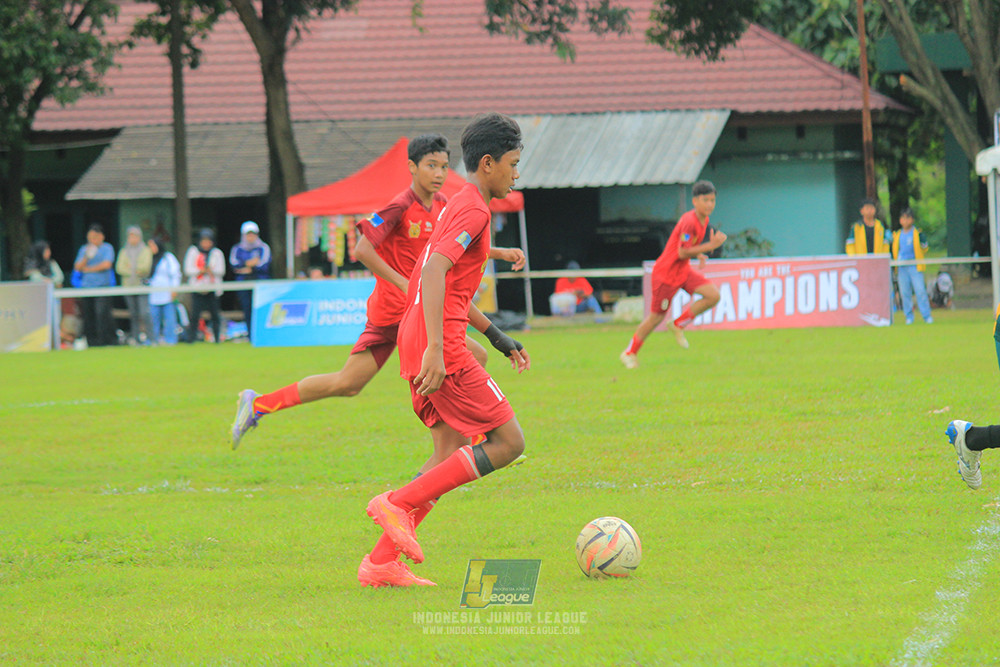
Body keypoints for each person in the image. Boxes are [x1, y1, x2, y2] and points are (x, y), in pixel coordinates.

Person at [229, 133, 526, 460]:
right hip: (393, 311)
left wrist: (497, 252)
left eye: (443, 166)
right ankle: (489, 442)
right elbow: (362, 249)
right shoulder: (399, 205)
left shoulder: (443, 205)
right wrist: (404, 284)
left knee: (353, 383)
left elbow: (456, 247)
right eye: (431, 166)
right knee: (357, 381)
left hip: (415, 308)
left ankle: (258, 404)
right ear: (412, 168)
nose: (439, 174)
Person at [361, 112, 530, 587]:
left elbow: (446, 282)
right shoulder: (473, 209)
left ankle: (379, 564)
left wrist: (497, 337)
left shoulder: (460, 203)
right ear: (490, 162)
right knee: (509, 442)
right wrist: (437, 349)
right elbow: (433, 272)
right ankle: (393, 503)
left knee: (448, 451)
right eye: (514, 163)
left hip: (424, 334)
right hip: (440, 342)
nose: (518, 172)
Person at [620, 180, 726, 369]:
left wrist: (699, 253)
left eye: (712, 200)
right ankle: (629, 352)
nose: (710, 204)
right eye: (705, 200)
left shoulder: (704, 220)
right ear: (695, 201)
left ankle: (678, 324)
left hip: (683, 271)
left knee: (713, 295)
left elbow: (688, 248)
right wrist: (710, 246)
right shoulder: (688, 221)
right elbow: (681, 252)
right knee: (656, 318)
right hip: (666, 275)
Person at [73, 224, 117, 347]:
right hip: (87, 287)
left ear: (102, 236)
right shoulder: (84, 250)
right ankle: (92, 342)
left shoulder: (107, 248)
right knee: (89, 315)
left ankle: (106, 341)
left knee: (102, 314)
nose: (93, 240)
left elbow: (107, 265)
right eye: (90, 237)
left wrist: (89, 269)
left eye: (95, 237)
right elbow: (78, 267)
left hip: (103, 287)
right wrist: (87, 256)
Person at [229, 220, 271, 340]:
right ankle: (251, 335)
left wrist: (249, 268)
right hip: (243, 282)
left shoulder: (263, 247)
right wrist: (250, 264)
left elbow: (264, 265)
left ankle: (263, 335)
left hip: (260, 282)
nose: (251, 237)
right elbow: (235, 266)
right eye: (248, 234)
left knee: (261, 309)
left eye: (253, 234)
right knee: (247, 309)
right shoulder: (237, 249)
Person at [183, 228, 226, 343]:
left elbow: (221, 270)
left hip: (212, 288)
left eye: (208, 241)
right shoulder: (193, 251)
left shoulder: (217, 253)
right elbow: (188, 269)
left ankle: (217, 338)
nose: (206, 244)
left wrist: (210, 270)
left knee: (215, 315)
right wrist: (200, 271)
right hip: (198, 288)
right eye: (204, 241)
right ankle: (191, 339)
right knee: (195, 315)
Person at [891, 207, 933, 325]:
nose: (905, 221)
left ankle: (926, 315)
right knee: (905, 293)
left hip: (915, 266)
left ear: (912, 220)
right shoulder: (898, 235)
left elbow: (925, 247)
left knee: (920, 291)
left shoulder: (917, 233)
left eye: (908, 218)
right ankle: (909, 316)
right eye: (903, 218)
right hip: (902, 267)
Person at [116, 225, 154, 344]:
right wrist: (134, 270)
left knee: (144, 312)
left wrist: (131, 268)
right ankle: (136, 339)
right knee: (133, 314)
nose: (132, 239)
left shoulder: (146, 250)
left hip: (141, 286)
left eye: (135, 236)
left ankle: (151, 338)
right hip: (128, 287)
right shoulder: (124, 251)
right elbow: (119, 268)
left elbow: (145, 268)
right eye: (130, 237)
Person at [147, 236, 182, 345]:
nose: (151, 248)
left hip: (167, 294)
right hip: (153, 294)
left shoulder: (168, 257)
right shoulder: (148, 258)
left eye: (153, 245)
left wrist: (174, 289)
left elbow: (176, 274)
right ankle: (154, 340)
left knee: (170, 319)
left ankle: (170, 340)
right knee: (153, 319)